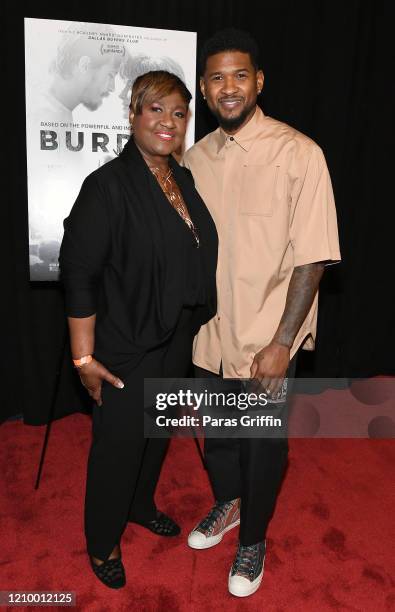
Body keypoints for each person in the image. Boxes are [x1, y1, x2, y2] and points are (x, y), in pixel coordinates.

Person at [183, 29, 341, 598]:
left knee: (261, 445)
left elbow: (314, 258)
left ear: (259, 82)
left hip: (266, 338)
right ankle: (228, 506)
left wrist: (281, 342)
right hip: (209, 336)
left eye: (240, 75)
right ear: (204, 89)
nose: (230, 87)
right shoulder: (193, 157)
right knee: (220, 439)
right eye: (218, 77)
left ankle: (253, 538)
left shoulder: (300, 153)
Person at [59, 70, 217, 589]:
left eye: (178, 112)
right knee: (119, 447)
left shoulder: (181, 177)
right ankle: (102, 541)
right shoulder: (106, 186)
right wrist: (84, 358)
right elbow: (79, 275)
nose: (168, 122)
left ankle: (139, 505)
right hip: (126, 344)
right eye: (156, 110)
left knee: (155, 436)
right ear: (132, 113)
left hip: (174, 336)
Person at [34, 23, 121, 125]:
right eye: (110, 75)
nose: (112, 88)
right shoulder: (40, 117)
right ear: (84, 65)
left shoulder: (58, 111)